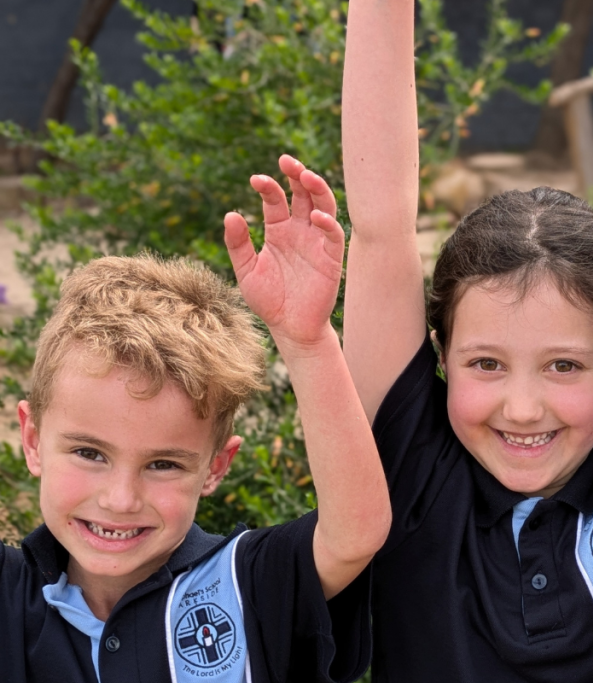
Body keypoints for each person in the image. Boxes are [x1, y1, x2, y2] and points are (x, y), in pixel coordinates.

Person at [337, 0, 593, 680]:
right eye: (486, 362)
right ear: (440, 356)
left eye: (564, 365)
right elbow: (381, 229)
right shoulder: (413, 476)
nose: (521, 406)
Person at [2, 161, 390, 682]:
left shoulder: (246, 582)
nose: (120, 498)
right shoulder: (9, 597)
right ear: (31, 440)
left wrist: (307, 341)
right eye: (89, 453)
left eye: (162, 464)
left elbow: (355, 533)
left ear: (214, 466)